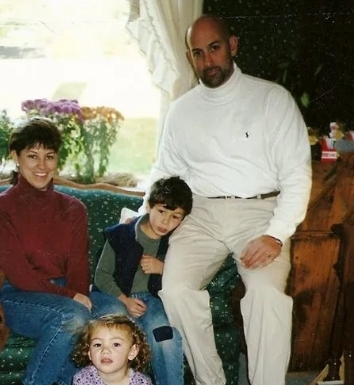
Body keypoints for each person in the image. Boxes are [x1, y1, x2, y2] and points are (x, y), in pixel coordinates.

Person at [141, 14, 313, 385]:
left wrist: (277, 233)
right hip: (200, 212)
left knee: (266, 295)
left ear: (232, 45)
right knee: (174, 290)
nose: (207, 61)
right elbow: (164, 170)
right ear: (190, 57)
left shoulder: (272, 99)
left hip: (260, 212)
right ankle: (211, 382)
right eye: (198, 53)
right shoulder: (182, 110)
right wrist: (143, 217)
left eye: (214, 48)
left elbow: (297, 175)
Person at [0, 117, 92, 385]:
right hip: (17, 295)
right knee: (72, 315)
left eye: (49, 156)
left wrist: (79, 295)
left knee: (115, 313)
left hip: (64, 291)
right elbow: (20, 276)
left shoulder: (74, 208)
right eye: (32, 156)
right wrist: (72, 298)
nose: (42, 166)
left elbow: (79, 266)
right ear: (16, 157)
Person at [90, 176, 193, 385]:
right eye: (162, 212)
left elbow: (190, 276)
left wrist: (164, 268)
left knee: (165, 337)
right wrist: (124, 300)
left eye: (175, 217)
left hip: (152, 302)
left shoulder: (177, 242)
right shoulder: (121, 235)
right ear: (148, 206)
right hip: (113, 296)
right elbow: (101, 276)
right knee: (120, 329)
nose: (166, 222)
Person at [71, 314, 152, 385]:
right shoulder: (82, 379)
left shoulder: (142, 383)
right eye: (97, 344)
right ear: (89, 352)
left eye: (116, 344)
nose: (105, 350)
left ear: (132, 352)